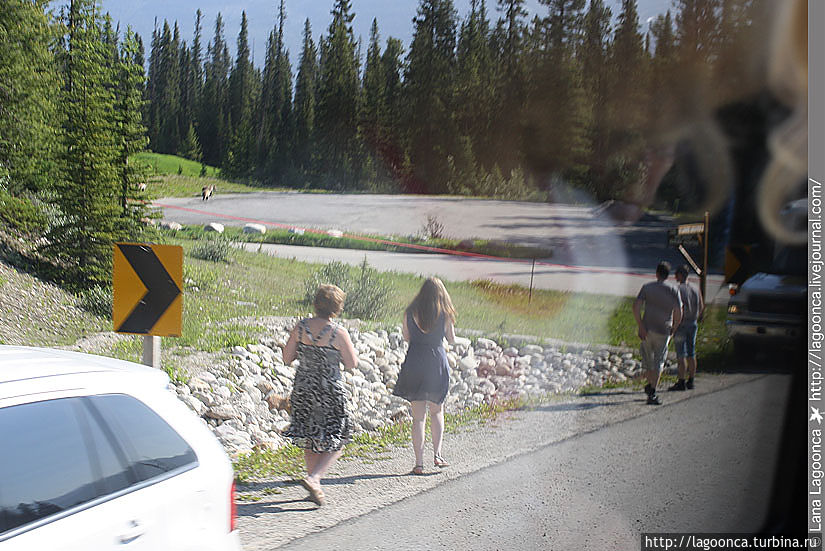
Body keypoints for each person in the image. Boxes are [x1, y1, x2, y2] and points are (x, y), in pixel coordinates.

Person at [279, 284, 359, 506]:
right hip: (329, 390)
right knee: (340, 437)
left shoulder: (301, 327)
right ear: (338, 307)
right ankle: (314, 478)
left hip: (304, 388)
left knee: (309, 435)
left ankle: (314, 484)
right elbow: (352, 363)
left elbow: (287, 358)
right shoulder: (338, 333)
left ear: (315, 303)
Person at [393, 277, 456, 475]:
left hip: (415, 361)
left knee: (418, 417)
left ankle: (419, 463)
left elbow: (406, 336)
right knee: (437, 411)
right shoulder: (445, 314)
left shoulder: (410, 312)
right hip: (436, 362)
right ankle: (437, 455)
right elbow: (451, 339)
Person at [632, 261, 682, 405]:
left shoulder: (647, 288)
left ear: (656, 273)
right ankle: (652, 391)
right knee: (659, 361)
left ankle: (649, 383)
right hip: (664, 329)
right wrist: (675, 327)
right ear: (668, 275)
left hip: (647, 329)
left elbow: (636, 307)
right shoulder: (673, 290)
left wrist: (640, 325)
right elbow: (679, 312)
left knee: (647, 360)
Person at [669, 265, 704, 391]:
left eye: (676, 274)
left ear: (680, 275)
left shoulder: (677, 289)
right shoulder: (695, 288)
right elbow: (701, 305)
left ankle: (681, 381)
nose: (675, 277)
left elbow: (676, 308)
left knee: (680, 354)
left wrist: (674, 324)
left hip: (681, 324)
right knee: (691, 352)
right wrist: (696, 317)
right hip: (693, 323)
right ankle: (691, 380)